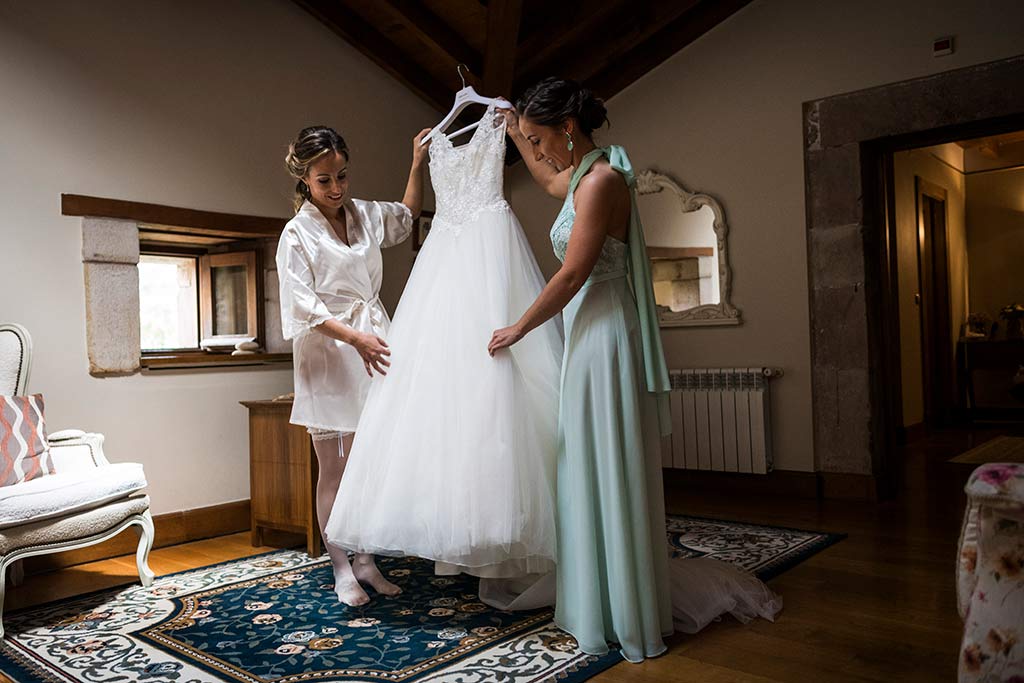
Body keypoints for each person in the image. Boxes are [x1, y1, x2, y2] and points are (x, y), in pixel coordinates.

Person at [489, 78, 781, 662]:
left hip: (604, 336)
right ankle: (600, 594)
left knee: (605, 460)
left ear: (568, 128)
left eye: (541, 138)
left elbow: (571, 275)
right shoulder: (581, 176)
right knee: (585, 461)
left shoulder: (601, 182)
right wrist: (513, 133)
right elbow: (548, 179)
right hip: (586, 334)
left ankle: (625, 608)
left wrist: (518, 328)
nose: (539, 151)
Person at [276, 124, 430, 606]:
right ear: (305, 178)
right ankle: (341, 566)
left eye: (342, 175)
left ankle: (367, 559)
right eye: (325, 180)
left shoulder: (363, 214)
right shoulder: (296, 233)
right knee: (335, 468)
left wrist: (416, 164)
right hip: (329, 350)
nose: (337, 188)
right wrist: (355, 338)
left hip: (372, 342)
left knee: (370, 462)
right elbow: (302, 306)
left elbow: (405, 218)